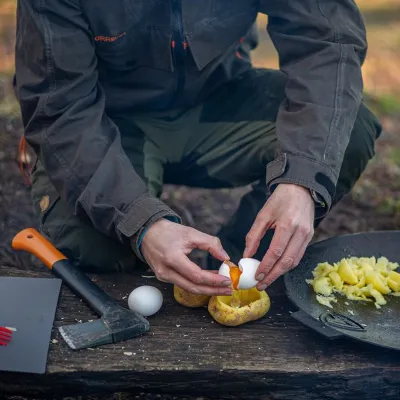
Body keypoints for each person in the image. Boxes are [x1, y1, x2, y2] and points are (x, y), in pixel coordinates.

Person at [14, 0, 381, 297]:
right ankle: (164, 265)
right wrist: (142, 225)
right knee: (95, 247)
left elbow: (327, 42)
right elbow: (61, 109)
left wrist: (301, 180)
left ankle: (236, 268)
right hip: (107, 120)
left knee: (345, 135)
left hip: (218, 101)